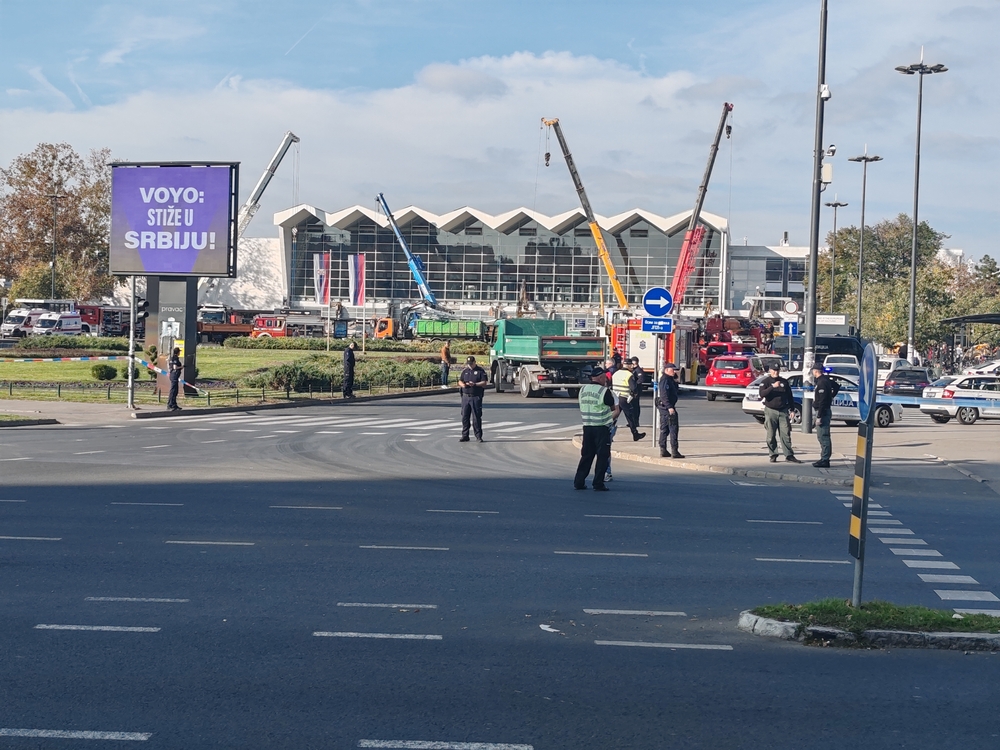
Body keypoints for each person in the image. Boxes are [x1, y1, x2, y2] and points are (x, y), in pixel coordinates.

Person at [574, 365, 620, 491]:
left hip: (587, 427)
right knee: (602, 456)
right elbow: (613, 409)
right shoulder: (604, 391)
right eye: (604, 377)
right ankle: (598, 483)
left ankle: (579, 481)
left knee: (586, 455)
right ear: (600, 378)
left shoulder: (582, 390)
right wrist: (610, 421)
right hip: (601, 427)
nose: (605, 379)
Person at [758, 362, 801, 463]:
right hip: (770, 411)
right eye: (774, 370)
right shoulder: (766, 382)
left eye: (777, 370)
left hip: (783, 411)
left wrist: (792, 409)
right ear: (770, 371)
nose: (776, 372)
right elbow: (762, 394)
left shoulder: (784, 382)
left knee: (785, 433)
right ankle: (773, 454)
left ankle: (789, 455)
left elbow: (790, 396)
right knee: (771, 434)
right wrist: (772, 387)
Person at [811, 364, 840, 468]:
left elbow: (822, 401)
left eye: (813, 370)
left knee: (823, 436)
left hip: (823, 411)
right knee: (822, 435)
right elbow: (836, 386)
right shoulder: (825, 380)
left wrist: (819, 416)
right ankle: (824, 458)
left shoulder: (822, 382)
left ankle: (825, 459)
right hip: (823, 410)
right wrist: (831, 396)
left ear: (816, 371)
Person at [611, 359, 646, 441]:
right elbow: (633, 388)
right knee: (630, 416)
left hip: (616, 397)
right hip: (624, 398)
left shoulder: (616, 373)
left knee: (614, 416)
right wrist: (634, 394)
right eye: (631, 366)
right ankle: (635, 434)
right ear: (630, 365)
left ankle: (607, 431)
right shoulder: (629, 375)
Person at [458, 355, 488, 442]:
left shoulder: (480, 371)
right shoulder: (465, 371)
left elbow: (484, 382)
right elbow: (460, 380)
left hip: (475, 397)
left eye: (471, 364)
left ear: (475, 362)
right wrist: (462, 384)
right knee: (465, 417)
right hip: (465, 397)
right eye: (468, 364)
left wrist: (474, 384)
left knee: (476, 417)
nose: (469, 365)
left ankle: (478, 436)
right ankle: (465, 435)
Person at [657, 362, 684, 458]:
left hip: (666, 408)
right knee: (673, 429)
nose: (674, 371)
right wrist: (669, 407)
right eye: (672, 370)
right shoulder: (665, 380)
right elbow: (664, 395)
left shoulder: (669, 379)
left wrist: (675, 379)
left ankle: (663, 449)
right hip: (667, 408)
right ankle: (674, 451)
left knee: (665, 429)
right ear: (666, 370)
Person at [630, 356, 645, 427]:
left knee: (635, 407)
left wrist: (635, 385)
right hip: (633, 391)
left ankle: (636, 422)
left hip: (636, 391)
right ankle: (633, 422)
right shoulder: (633, 370)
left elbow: (641, 379)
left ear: (635, 363)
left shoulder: (638, 370)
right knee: (632, 407)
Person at [166, 347, 183, 411]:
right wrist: (181, 367)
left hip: (173, 375)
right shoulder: (175, 358)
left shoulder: (171, 358)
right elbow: (175, 367)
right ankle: (170, 404)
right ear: (178, 352)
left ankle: (174, 404)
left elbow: (169, 366)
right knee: (173, 391)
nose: (179, 353)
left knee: (175, 391)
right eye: (179, 352)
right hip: (174, 375)